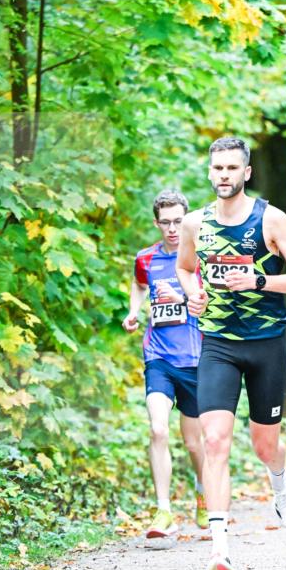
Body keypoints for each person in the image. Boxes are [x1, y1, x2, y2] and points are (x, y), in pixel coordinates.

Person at [176, 136, 286, 570]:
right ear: (210, 172)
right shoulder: (195, 224)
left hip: (266, 343)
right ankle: (220, 551)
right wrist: (193, 293)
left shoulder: (270, 219)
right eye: (217, 168)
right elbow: (185, 269)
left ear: (246, 173)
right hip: (218, 343)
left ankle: (280, 480)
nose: (224, 175)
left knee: (263, 445)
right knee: (215, 440)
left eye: (232, 168)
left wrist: (259, 281)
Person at [122, 190, 207, 549]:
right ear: (157, 223)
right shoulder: (146, 258)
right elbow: (139, 284)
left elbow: (215, 302)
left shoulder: (202, 257)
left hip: (196, 359)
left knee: (194, 443)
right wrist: (133, 311)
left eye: (178, 222)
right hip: (158, 357)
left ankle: (203, 493)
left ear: (187, 221)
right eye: (166, 222)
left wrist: (184, 300)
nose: (172, 229)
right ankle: (163, 511)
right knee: (158, 429)